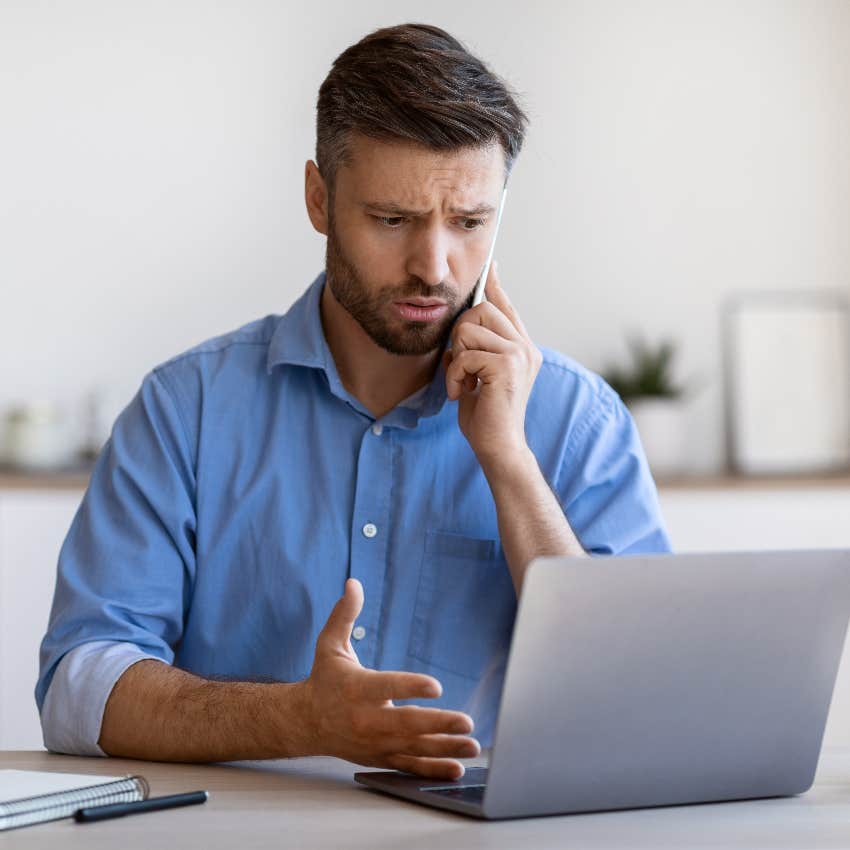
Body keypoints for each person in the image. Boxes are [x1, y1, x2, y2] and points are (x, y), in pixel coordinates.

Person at [36, 23, 672, 781]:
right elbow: (80, 689)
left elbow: (638, 702)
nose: (434, 266)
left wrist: (508, 463)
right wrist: (297, 720)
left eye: (470, 224)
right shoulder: (186, 409)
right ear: (318, 198)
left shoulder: (580, 423)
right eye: (391, 220)